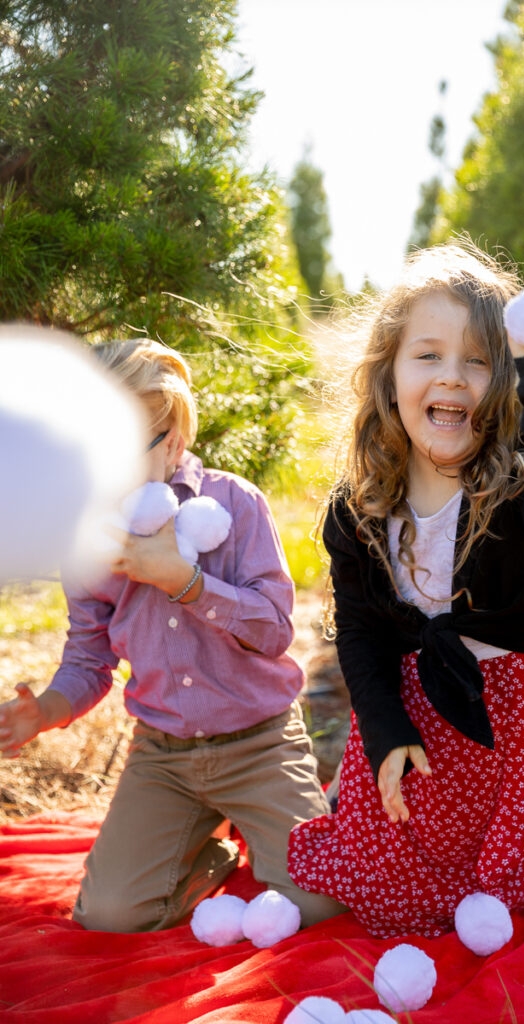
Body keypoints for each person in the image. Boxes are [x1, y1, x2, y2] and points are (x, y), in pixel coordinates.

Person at [287, 240, 524, 939]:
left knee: (510, 890)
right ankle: (365, 796)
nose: (453, 377)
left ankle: (520, 823)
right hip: (415, 700)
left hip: (516, 712)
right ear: (388, 373)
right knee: (380, 890)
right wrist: (383, 730)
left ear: (505, 379)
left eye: (477, 359)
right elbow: (362, 630)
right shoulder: (359, 504)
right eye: (428, 355)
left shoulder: (516, 474)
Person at [0, 339, 344, 933]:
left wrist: (187, 583)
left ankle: (281, 820)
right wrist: (47, 711)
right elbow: (88, 658)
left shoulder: (233, 505)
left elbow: (273, 630)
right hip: (163, 755)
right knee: (109, 916)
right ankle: (214, 852)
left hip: (258, 742)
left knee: (318, 903)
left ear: (174, 441)